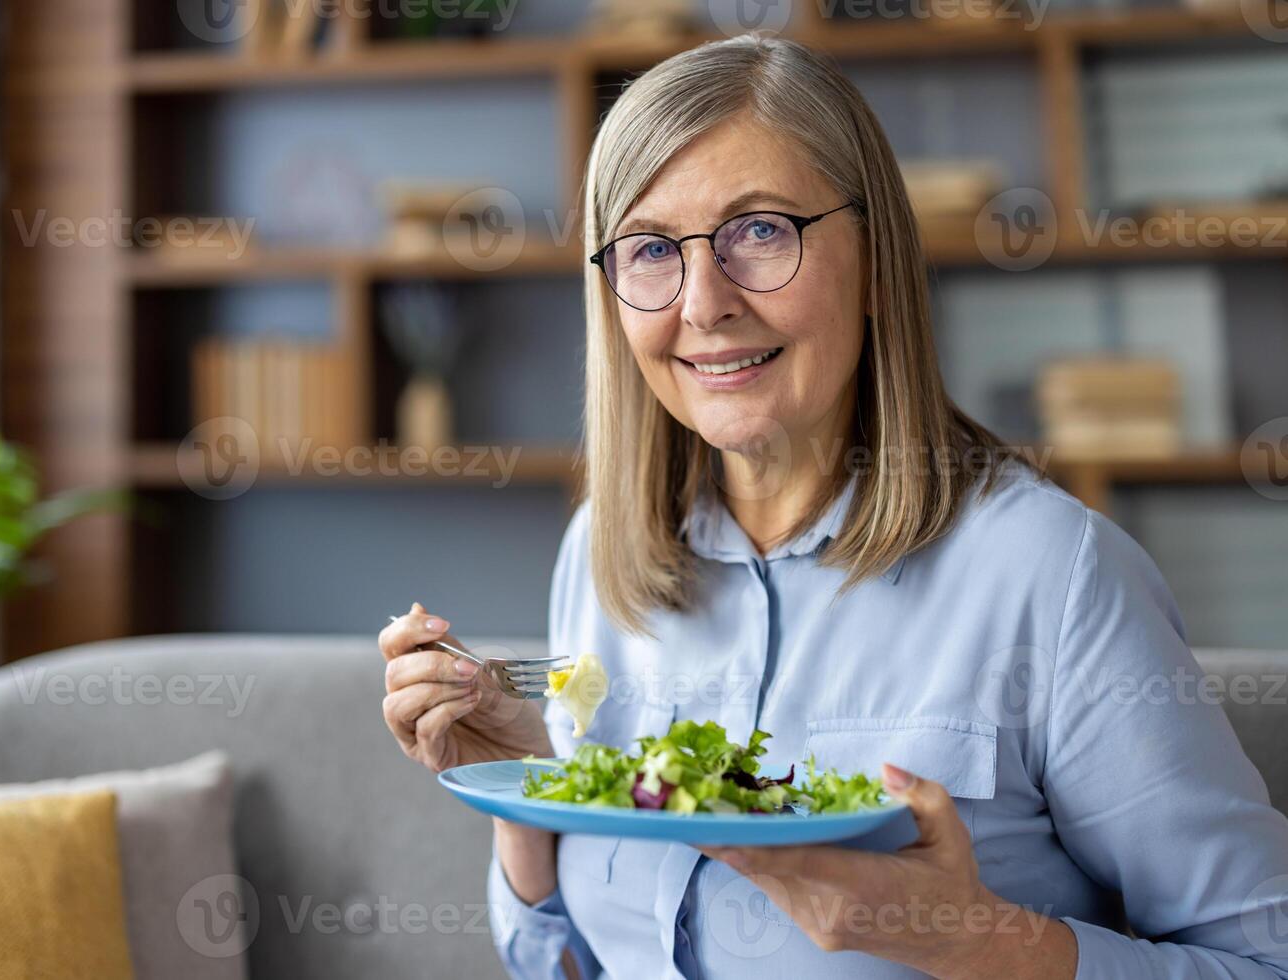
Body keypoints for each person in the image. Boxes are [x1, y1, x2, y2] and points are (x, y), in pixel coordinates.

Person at [379, 32, 1288, 979]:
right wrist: (532, 796)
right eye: (651, 248)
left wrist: (977, 940)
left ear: (876, 260)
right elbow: (563, 965)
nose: (704, 304)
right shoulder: (601, 556)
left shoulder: (1052, 578)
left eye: (761, 231)